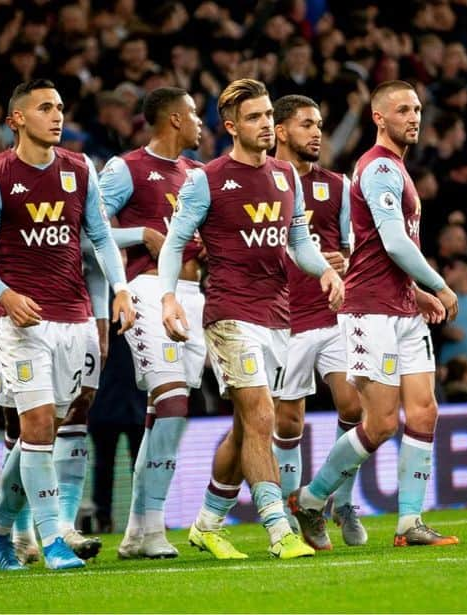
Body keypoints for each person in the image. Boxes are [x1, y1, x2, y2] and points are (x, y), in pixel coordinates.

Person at [157, 78, 343, 560]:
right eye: (255, 117)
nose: (264, 125)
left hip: (277, 316)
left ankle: (206, 524)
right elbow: (175, 243)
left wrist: (324, 271)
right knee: (262, 415)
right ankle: (280, 530)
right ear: (232, 125)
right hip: (230, 314)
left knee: (247, 429)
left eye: (267, 116)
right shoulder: (207, 179)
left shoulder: (286, 177)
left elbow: (299, 243)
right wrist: (168, 299)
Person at [0, 79, 134, 570]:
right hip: (21, 322)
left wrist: (121, 287)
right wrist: (6, 295)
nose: (57, 116)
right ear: (16, 119)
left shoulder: (80, 168)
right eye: (45, 108)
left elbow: (101, 239)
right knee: (36, 425)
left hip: (76, 318)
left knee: (51, 429)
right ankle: (52, 539)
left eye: (60, 107)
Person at [288, 80, 460, 550]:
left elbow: (391, 250)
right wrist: (438, 285)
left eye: (418, 109)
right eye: (403, 109)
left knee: (425, 411)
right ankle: (310, 498)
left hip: (402, 308)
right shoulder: (379, 168)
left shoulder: (399, 170)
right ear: (378, 118)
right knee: (382, 422)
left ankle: (409, 522)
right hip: (369, 311)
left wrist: (416, 293)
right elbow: (394, 241)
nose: (414, 117)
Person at [97, 86, 205, 560]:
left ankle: (137, 532)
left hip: (195, 296)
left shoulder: (198, 174)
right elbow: (87, 226)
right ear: (175, 119)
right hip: (146, 289)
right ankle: (155, 527)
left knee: (165, 415)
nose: (203, 123)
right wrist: (140, 233)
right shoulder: (127, 169)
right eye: (196, 114)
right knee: (173, 405)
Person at [270, 94, 367, 546]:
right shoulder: (263, 182)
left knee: (355, 407)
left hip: (331, 316)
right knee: (288, 423)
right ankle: (295, 514)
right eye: (306, 124)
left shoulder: (338, 185)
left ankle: (339, 500)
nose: (316, 133)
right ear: (282, 131)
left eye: (320, 124)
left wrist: (344, 262)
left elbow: (352, 248)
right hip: (281, 318)